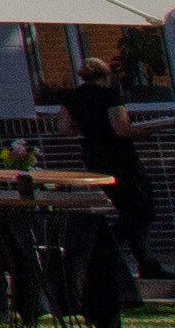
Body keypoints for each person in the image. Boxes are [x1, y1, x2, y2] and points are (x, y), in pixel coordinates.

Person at [60, 52, 162, 275]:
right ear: (105, 76)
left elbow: (65, 127)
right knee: (142, 208)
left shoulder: (73, 97)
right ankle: (104, 248)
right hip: (120, 156)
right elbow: (121, 129)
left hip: (93, 155)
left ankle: (147, 262)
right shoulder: (109, 95)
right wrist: (146, 130)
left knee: (125, 207)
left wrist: (89, 129)